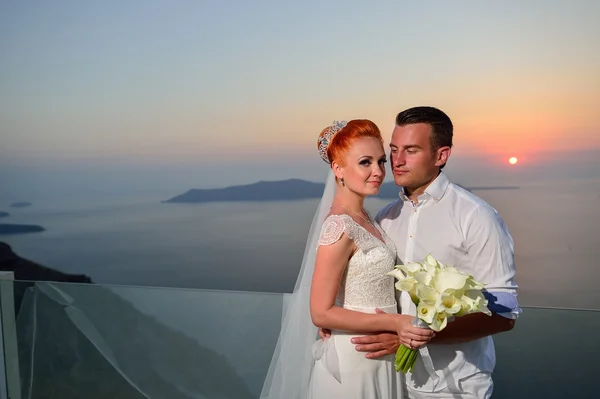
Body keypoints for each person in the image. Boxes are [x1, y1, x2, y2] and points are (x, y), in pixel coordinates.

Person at [350, 106, 522, 399]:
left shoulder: (476, 216)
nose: (397, 161)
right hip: (392, 381)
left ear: (441, 155)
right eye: (393, 150)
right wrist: (336, 320)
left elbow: (504, 314)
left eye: (411, 150)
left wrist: (412, 339)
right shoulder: (385, 218)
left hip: (455, 387)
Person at [260, 120, 434, 399]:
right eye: (365, 162)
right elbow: (320, 312)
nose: (378, 171)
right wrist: (397, 322)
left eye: (380, 161)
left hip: (377, 354)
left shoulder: (367, 219)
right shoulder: (339, 226)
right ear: (338, 169)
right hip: (356, 358)